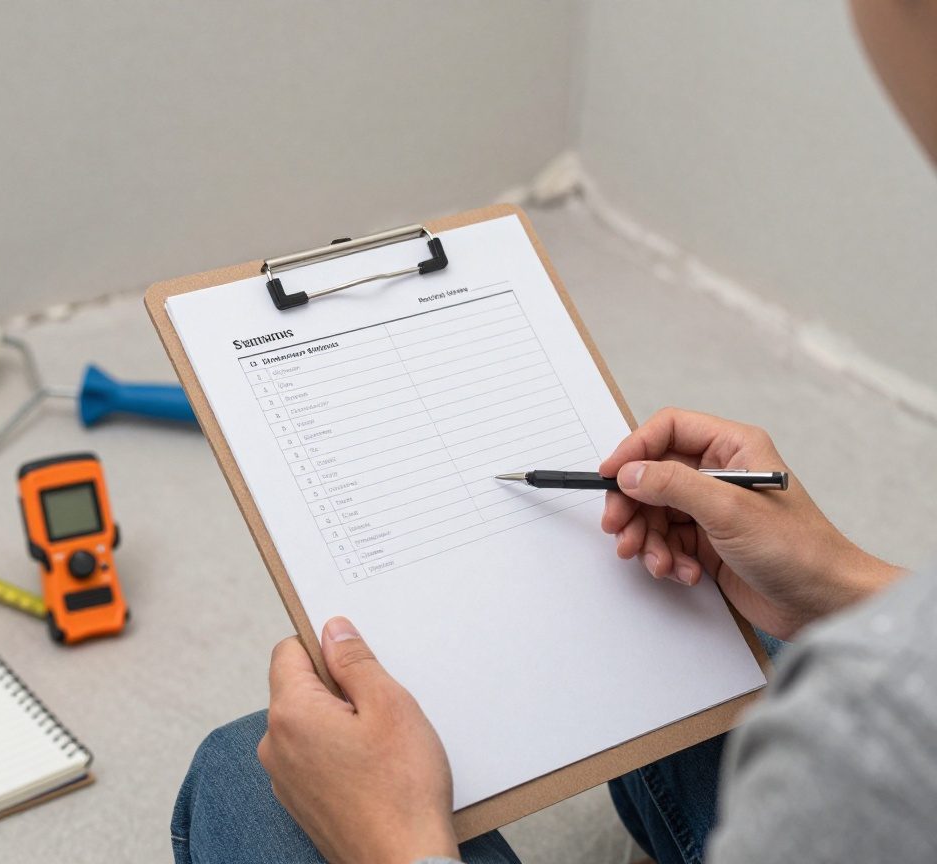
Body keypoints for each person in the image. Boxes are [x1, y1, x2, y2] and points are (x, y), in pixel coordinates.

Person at [172, 2, 937, 861]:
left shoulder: (874, 735)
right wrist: (845, 585)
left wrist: (394, 843)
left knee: (251, 773)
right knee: (694, 630)